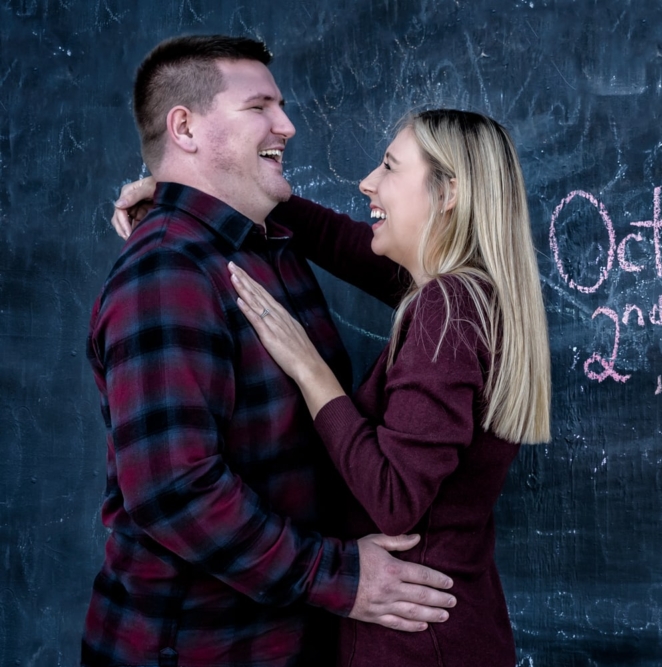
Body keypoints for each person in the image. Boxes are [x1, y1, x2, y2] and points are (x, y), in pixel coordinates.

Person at [115, 110, 552, 665]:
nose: (368, 182)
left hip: (414, 639)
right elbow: (336, 240)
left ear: (449, 194)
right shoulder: (476, 295)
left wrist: (310, 368)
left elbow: (396, 500)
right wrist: (207, 185)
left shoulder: (448, 308)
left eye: (391, 167)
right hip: (444, 624)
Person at [86, 35, 455, 667]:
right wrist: (342, 577)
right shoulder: (167, 272)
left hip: (281, 638)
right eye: (260, 106)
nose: (286, 123)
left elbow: (443, 271)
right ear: (186, 127)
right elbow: (176, 493)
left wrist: (197, 189)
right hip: (200, 648)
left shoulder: (266, 246)